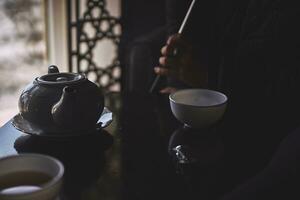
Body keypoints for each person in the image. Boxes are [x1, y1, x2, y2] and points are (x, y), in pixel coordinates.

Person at [156, 0, 300, 193]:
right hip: (216, 105)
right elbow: (179, 28)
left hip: (270, 125)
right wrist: (180, 80)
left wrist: (209, 80)